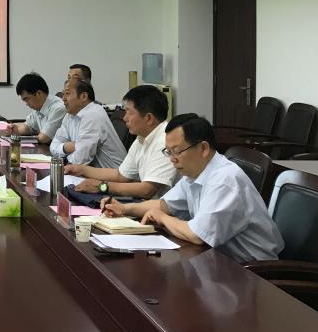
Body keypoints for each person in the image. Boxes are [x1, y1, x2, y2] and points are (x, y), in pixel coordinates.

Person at [103, 113, 284, 263]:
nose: (172, 159)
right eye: (168, 152)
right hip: (219, 261)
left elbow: (197, 235)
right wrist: (124, 208)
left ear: (203, 148)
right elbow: (163, 205)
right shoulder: (195, 173)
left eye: (177, 151)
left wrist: (162, 218)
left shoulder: (225, 180)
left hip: (255, 272)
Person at [66, 84, 178, 199]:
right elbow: (121, 175)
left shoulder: (165, 141)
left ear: (148, 118)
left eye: (129, 112)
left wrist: (101, 186)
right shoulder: (142, 138)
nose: (125, 118)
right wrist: (81, 169)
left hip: (159, 208)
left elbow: (147, 190)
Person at [50, 79, 126, 169]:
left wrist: (65, 156)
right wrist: (66, 147)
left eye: (67, 93)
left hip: (113, 174)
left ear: (83, 96)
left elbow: (80, 160)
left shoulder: (93, 114)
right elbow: (53, 146)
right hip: (89, 171)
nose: (63, 98)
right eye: (63, 94)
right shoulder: (70, 115)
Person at [12, 72, 66, 142]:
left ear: (39, 93)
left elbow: (43, 138)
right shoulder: (38, 108)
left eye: (27, 99)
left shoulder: (58, 108)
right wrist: (13, 129)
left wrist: (19, 139)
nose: (26, 104)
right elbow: (27, 127)